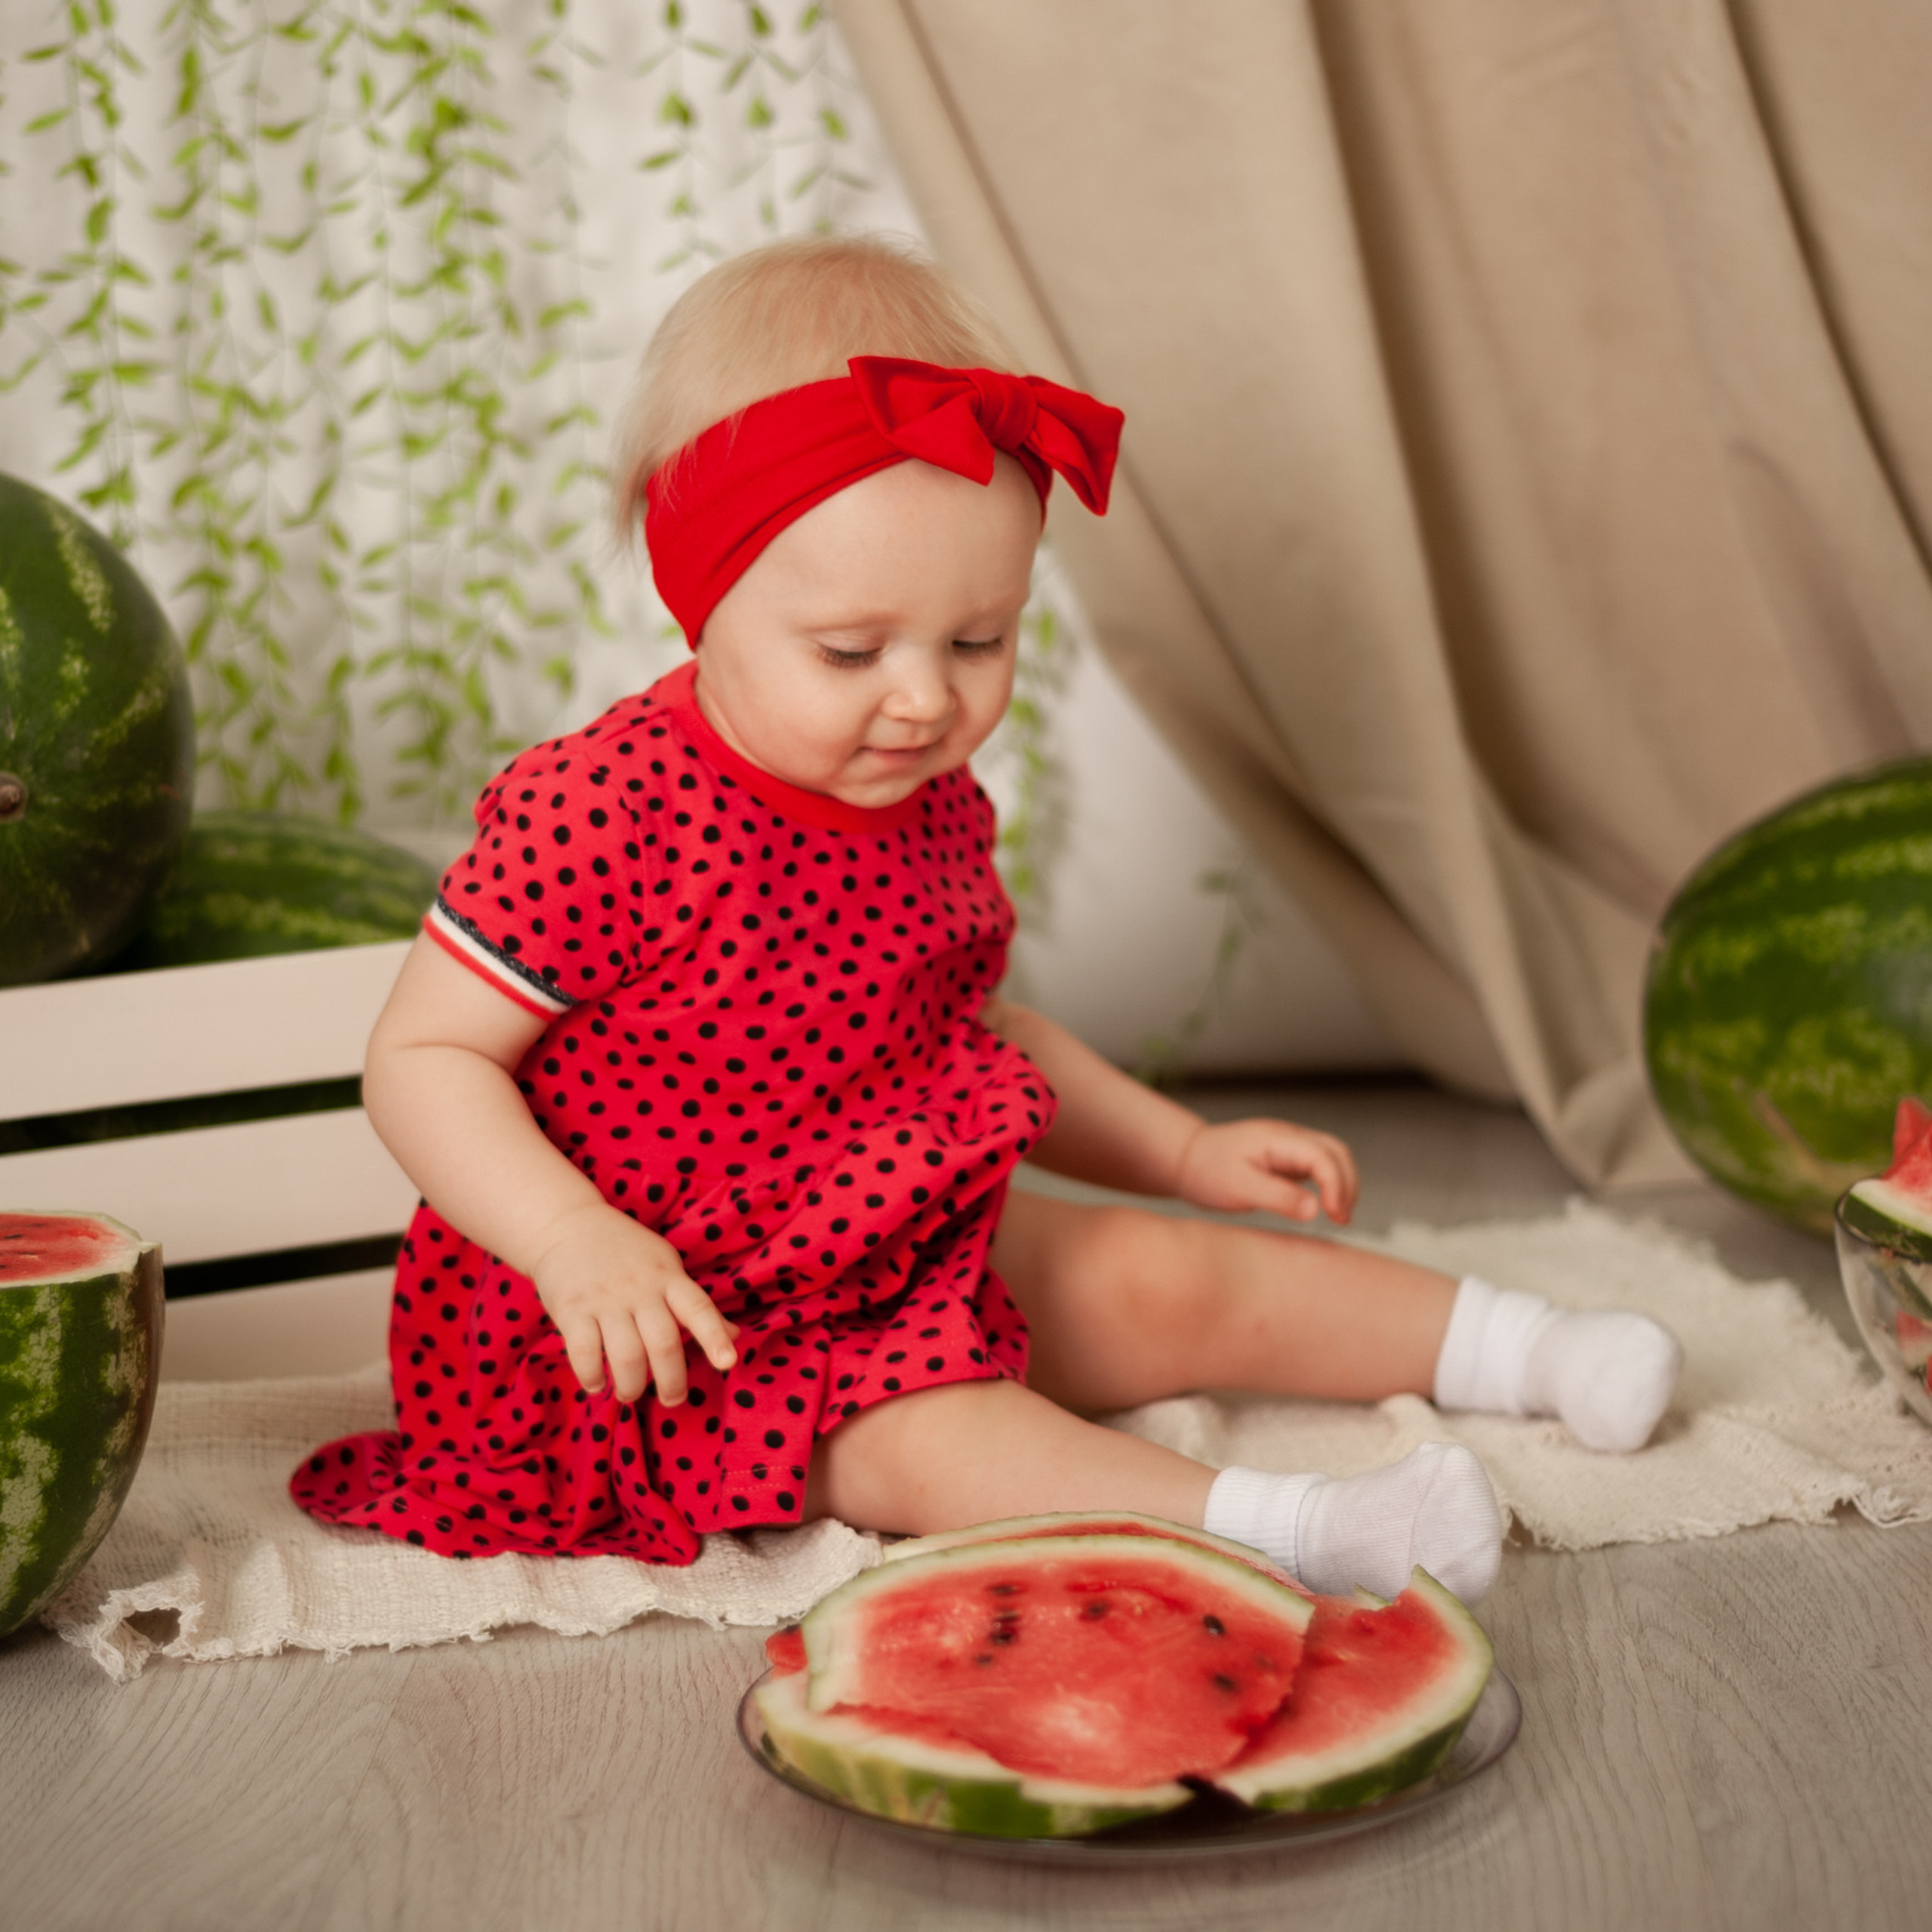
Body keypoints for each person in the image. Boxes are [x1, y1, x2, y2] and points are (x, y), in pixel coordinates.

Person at [291, 236, 1681, 1604]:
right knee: (930, 1437)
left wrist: (1180, 1147)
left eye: (979, 640)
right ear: (701, 590)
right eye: (853, 651)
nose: (926, 698)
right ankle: (1297, 1528)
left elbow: (973, 1031)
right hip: (660, 1331)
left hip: (888, 1234)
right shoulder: (606, 812)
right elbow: (423, 1062)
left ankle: (1533, 1350)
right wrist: (571, 1242)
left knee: (1167, 1272)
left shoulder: (924, 795)